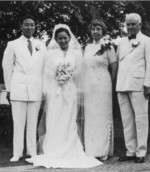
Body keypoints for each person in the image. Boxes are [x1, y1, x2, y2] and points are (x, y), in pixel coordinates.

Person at [26, 24, 102, 168]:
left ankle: (70, 147)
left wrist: (68, 76)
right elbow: (46, 73)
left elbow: (80, 71)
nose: (62, 41)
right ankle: (54, 148)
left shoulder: (76, 53)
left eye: (65, 38)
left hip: (70, 90)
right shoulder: (50, 54)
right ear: (56, 39)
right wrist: (58, 76)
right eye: (60, 38)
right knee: (54, 118)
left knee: (69, 119)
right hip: (55, 91)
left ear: (69, 38)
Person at [2, 15, 46, 162]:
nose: (29, 27)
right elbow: (7, 67)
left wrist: (43, 88)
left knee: (32, 122)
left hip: (35, 88)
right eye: (26, 25)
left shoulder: (41, 45)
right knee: (18, 122)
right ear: (21, 26)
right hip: (18, 87)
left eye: (32, 25)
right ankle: (17, 152)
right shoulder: (13, 44)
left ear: (35, 27)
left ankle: (32, 152)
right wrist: (9, 89)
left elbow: (44, 69)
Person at [116, 13, 150, 163]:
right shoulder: (122, 42)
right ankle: (130, 150)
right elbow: (119, 63)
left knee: (140, 118)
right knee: (126, 119)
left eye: (133, 24)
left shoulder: (147, 41)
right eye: (128, 24)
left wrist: (148, 84)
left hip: (138, 84)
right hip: (122, 84)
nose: (130, 27)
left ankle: (141, 151)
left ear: (140, 25)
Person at [84, 19, 117, 161]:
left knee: (102, 115)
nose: (95, 31)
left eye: (98, 29)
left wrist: (112, 84)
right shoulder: (87, 47)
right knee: (91, 116)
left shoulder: (108, 46)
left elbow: (114, 67)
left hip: (103, 84)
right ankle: (91, 149)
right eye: (93, 29)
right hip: (89, 85)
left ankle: (103, 150)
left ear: (103, 31)